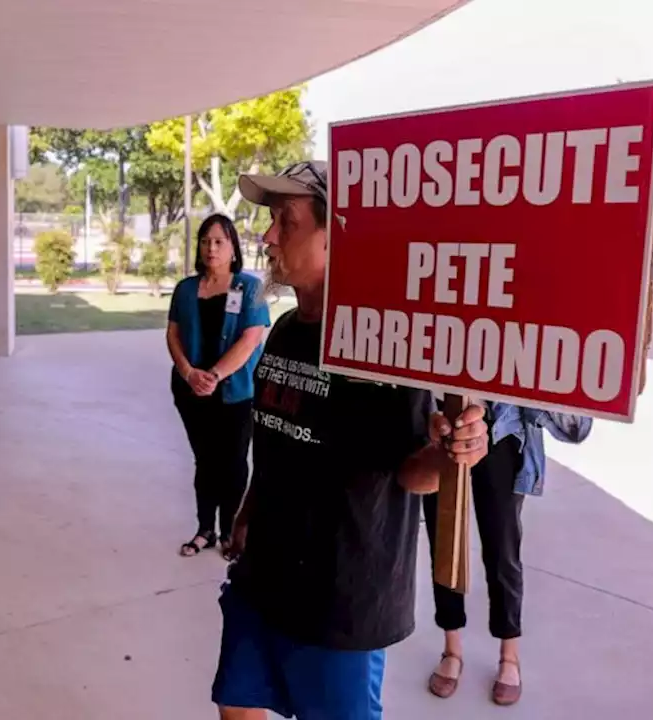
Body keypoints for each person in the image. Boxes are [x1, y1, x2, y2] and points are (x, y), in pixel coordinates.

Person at [211, 161, 490, 720]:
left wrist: (452, 451)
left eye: (285, 222)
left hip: (340, 594)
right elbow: (274, 439)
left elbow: (412, 471)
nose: (266, 237)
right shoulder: (287, 331)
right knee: (237, 706)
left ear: (335, 234)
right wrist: (248, 509)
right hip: (265, 571)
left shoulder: (381, 344)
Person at [423, 403, 591, 706]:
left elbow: (576, 426)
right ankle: (452, 649)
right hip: (440, 421)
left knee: (503, 548)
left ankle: (509, 655)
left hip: (503, 430)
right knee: (444, 539)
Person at [166, 214, 270, 557]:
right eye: (205, 241)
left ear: (233, 248)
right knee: (205, 460)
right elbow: (173, 334)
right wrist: (188, 373)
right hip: (190, 391)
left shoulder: (249, 288)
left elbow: (250, 339)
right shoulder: (185, 289)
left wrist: (213, 376)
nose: (211, 248)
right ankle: (205, 530)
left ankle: (231, 532)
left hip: (235, 392)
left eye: (219, 241)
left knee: (234, 462)